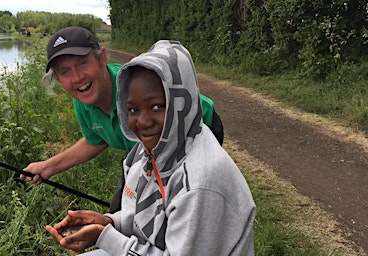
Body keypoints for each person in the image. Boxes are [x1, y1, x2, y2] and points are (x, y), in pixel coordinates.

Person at [44, 40, 256, 255]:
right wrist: (110, 222)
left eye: (157, 106)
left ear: (181, 102)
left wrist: (105, 236)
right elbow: (144, 216)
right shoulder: (144, 152)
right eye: (133, 109)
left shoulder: (199, 184)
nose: (143, 121)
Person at [20, 26, 224, 212]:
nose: (77, 77)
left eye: (82, 63)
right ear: (57, 79)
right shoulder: (82, 102)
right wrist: (49, 167)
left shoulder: (132, 89)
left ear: (102, 59)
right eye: (65, 71)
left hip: (197, 126)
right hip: (145, 150)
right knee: (126, 210)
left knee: (182, 204)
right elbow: (96, 140)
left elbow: (158, 154)